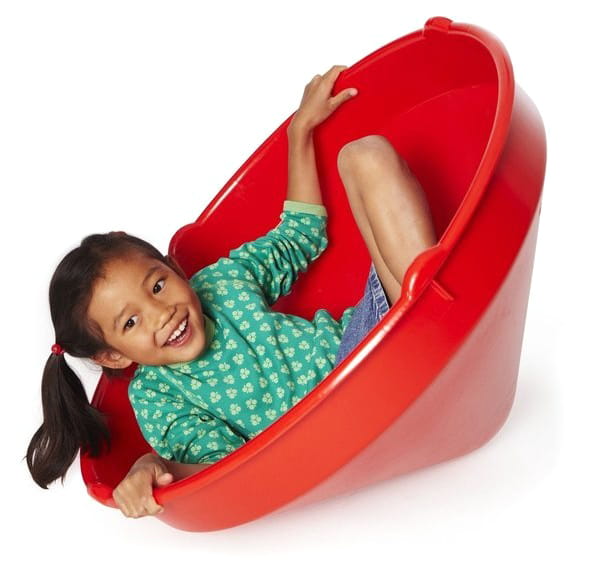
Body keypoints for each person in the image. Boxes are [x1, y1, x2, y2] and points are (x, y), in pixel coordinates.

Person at [26, 65, 437, 519]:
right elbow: (221, 468)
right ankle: (430, 324)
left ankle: (432, 313)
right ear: (114, 356)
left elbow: (299, 234)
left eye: (158, 285)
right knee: (392, 339)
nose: (162, 312)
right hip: (326, 430)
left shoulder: (222, 283)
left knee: (364, 154)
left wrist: (299, 131)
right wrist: (152, 466)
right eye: (131, 321)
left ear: (175, 269)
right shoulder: (158, 396)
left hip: (366, 347)